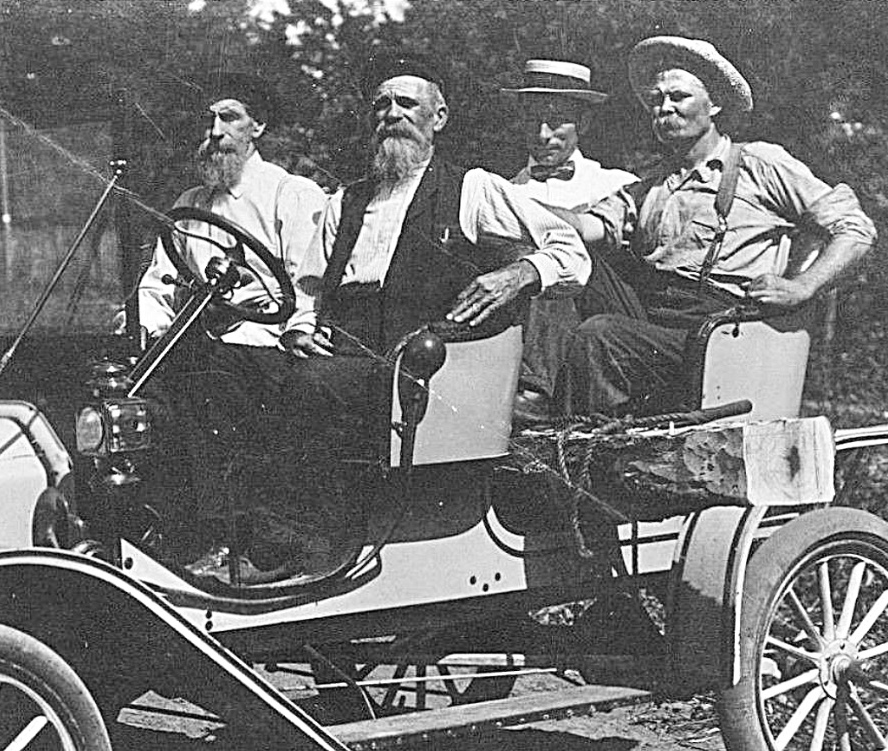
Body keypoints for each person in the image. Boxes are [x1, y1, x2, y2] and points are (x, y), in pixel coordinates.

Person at [276, 55, 588, 565]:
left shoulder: (473, 189)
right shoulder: (344, 201)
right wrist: (301, 325)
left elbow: (570, 252)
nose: (391, 114)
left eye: (406, 103)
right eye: (381, 105)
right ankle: (222, 538)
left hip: (431, 370)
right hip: (345, 354)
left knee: (311, 386)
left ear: (438, 118)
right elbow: (309, 288)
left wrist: (519, 274)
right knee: (233, 370)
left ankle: (305, 548)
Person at [550, 36, 876, 416]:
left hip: (718, 330)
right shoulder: (650, 185)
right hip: (651, 314)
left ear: (715, 104)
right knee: (559, 258)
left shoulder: (759, 164)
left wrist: (802, 287)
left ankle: (578, 440)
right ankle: (534, 397)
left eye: (678, 97)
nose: (664, 108)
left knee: (601, 334)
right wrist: (503, 201)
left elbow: (855, 229)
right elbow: (582, 226)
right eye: (656, 100)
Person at [124, 71, 329, 582]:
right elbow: (160, 282)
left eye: (229, 118)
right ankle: (155, 528)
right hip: (199, 343)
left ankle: (239, 540)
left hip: (267, 344)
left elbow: (308, 284)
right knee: (128, 389)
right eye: (209, 120)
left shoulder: (291, 193)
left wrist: (296, 326)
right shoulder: (191, 204)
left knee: (210, 377)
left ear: (258, 127)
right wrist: (144, 332)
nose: (215, 131)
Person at [498, 59, 640, 402]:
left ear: (584, 122)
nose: (542, 134)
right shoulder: (506, 191)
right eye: (532, 120)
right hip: (524, 333)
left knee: (551, 257)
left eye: (556, 120)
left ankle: (536, 393)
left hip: (603, 323)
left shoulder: (616, 185)